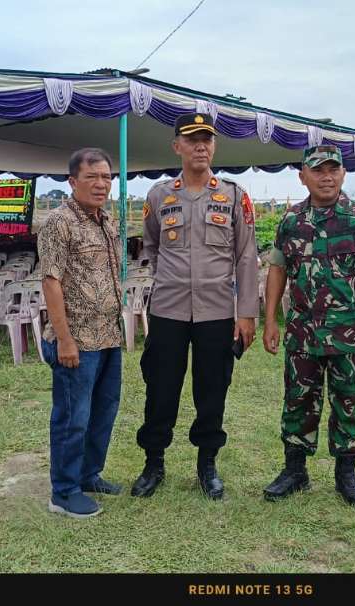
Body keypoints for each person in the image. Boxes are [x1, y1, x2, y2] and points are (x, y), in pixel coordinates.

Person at [131, 112, 259, 500]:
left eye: (207, 139)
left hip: (217, 312)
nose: (201, 146)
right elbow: (150, 246)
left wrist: (247, 313)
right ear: (177, 147)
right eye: (192, 139)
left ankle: (207, 464)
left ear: (214, 146)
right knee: (160, 388)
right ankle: (154, 462)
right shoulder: (159, 196)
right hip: (168, 310)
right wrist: (170, 276)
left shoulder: (235, 196)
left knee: (212, 389)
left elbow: (246, 256)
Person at [261, 144, 355, 507]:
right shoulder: (291, 221)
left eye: (333, 169)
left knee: (348, 401)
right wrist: (270, 321)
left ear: (344, 174)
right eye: (318, 170)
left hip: (350, 333)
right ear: (303, 176)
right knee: (298, 400)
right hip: (302, 333)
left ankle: (346, 473)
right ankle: (295, 470)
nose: (327, 176)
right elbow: (277, 271)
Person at [37, 147, 124, 519]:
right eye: (93, 177)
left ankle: (89, 474)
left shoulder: (107, 220)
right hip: (77, 342)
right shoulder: (59, 222)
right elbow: (51, 281)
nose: (102, 184)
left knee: (103, 412)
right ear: (73, 182)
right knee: (72, 417)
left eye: (107, 177)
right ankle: (64, 491)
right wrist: (65, 339)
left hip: (109, 336)